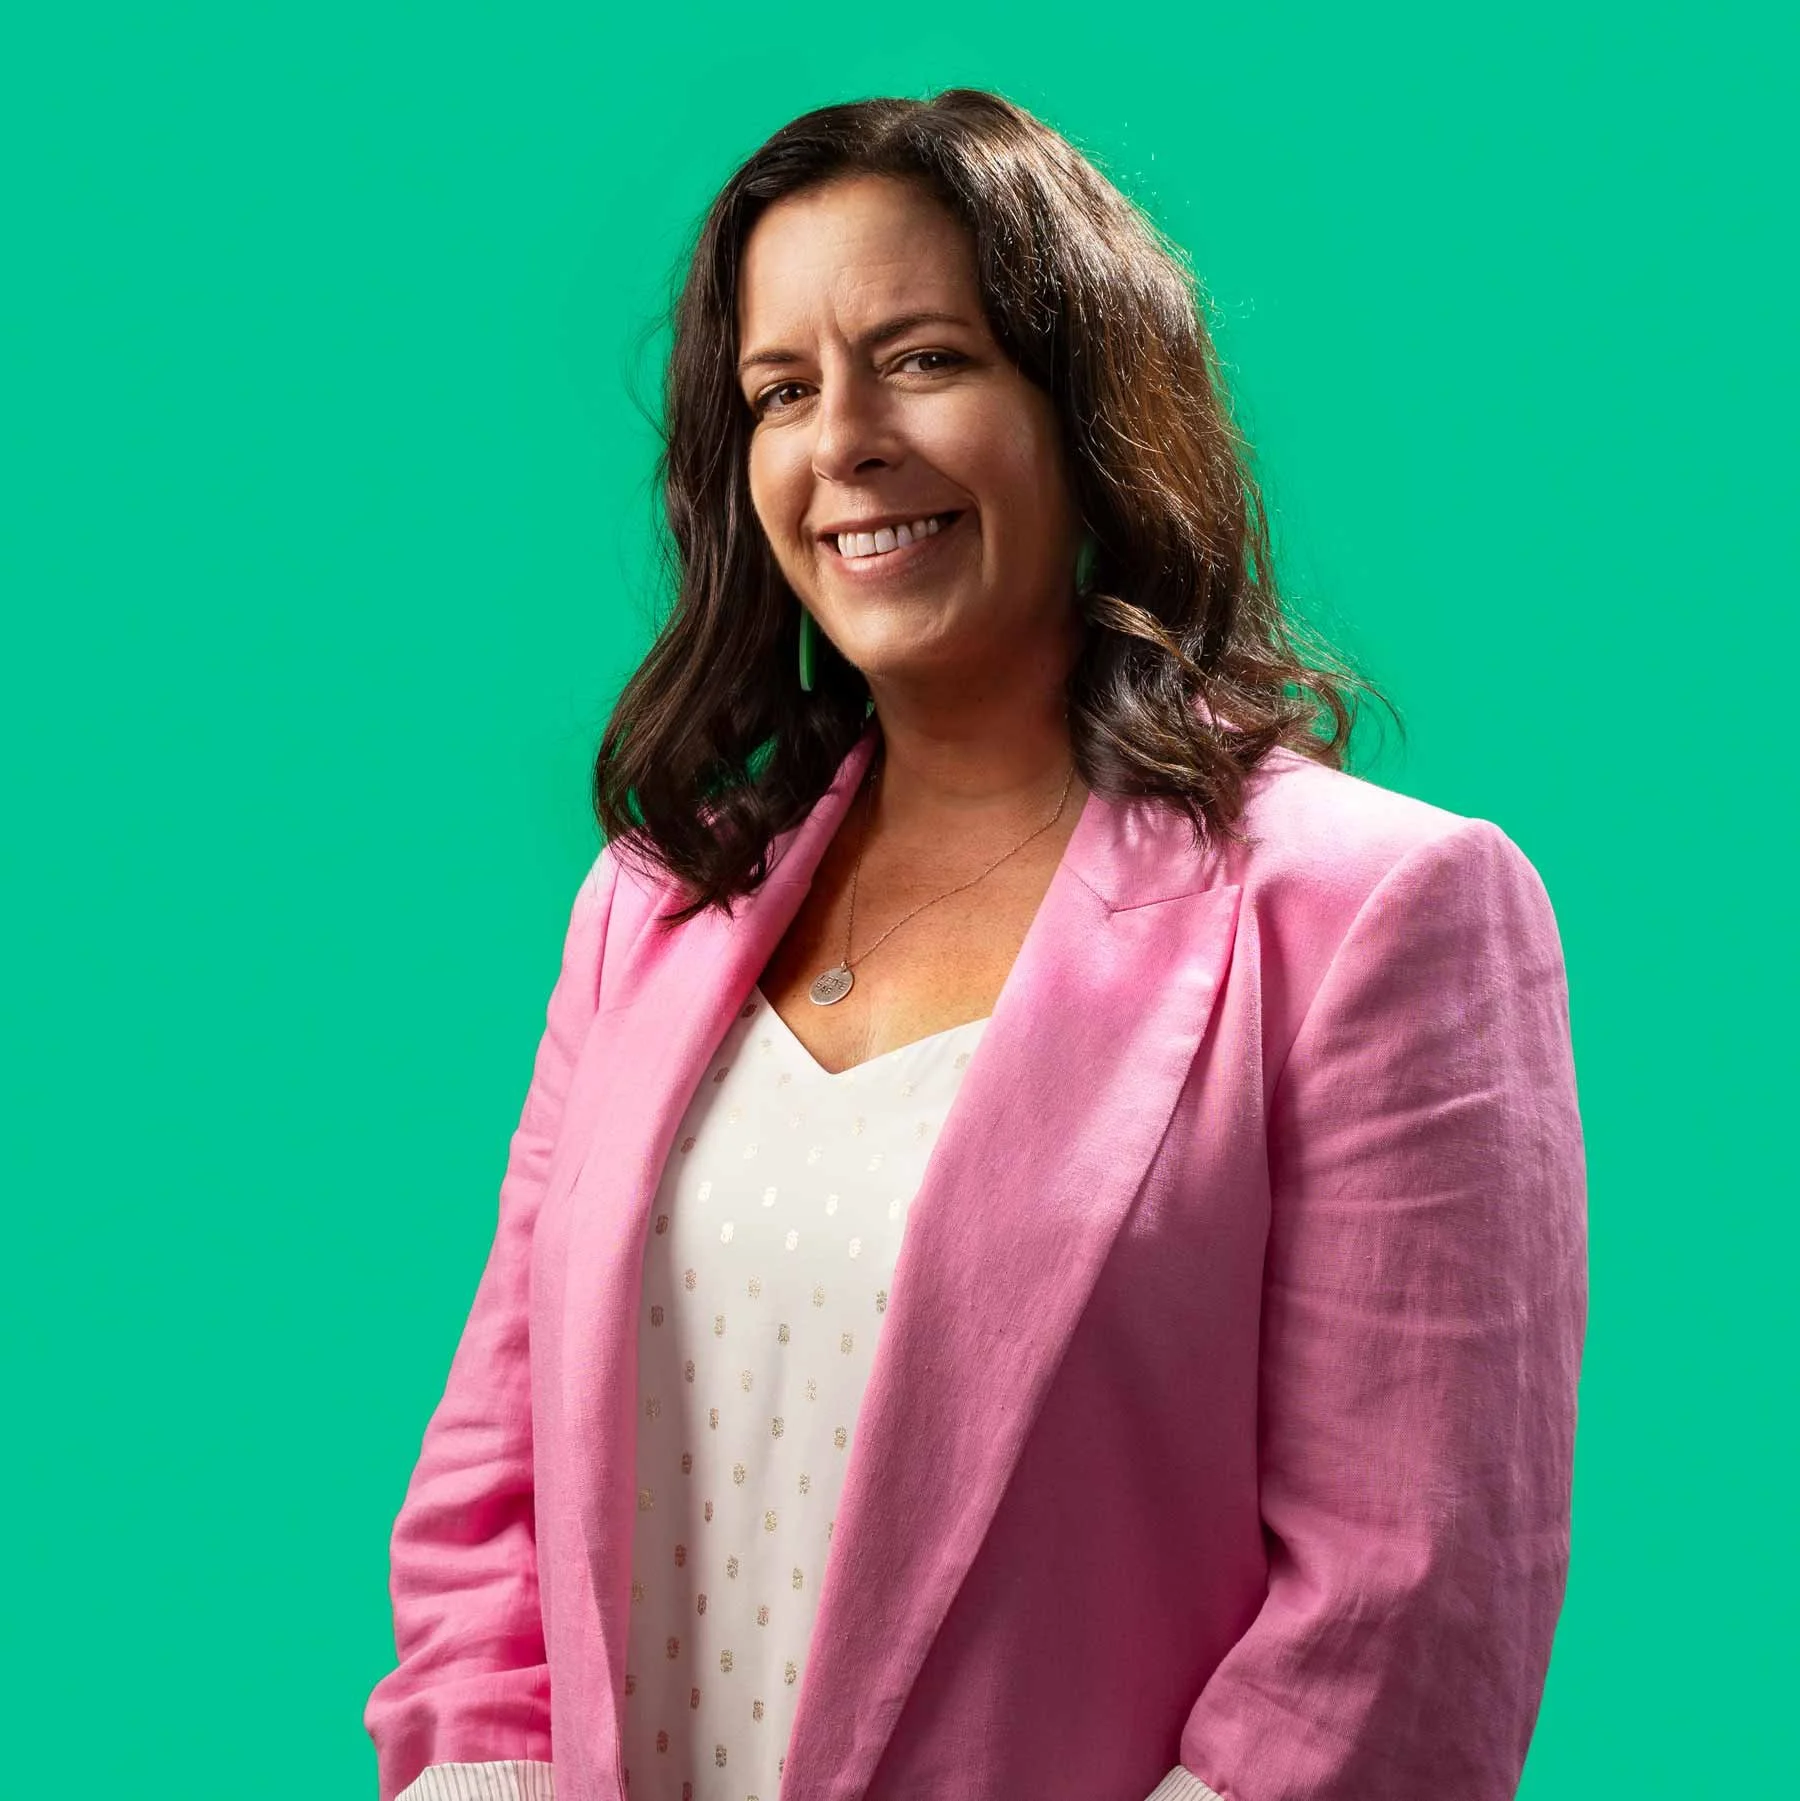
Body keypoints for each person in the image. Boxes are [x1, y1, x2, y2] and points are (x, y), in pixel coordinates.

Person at [363, 88, 1587, 1801]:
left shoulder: (1378, 916)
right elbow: (494, 1504)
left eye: (924, 358)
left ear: (1089, 407)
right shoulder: (655, 903)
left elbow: (1404, 1623)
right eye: (780, 391)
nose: (842, 439)